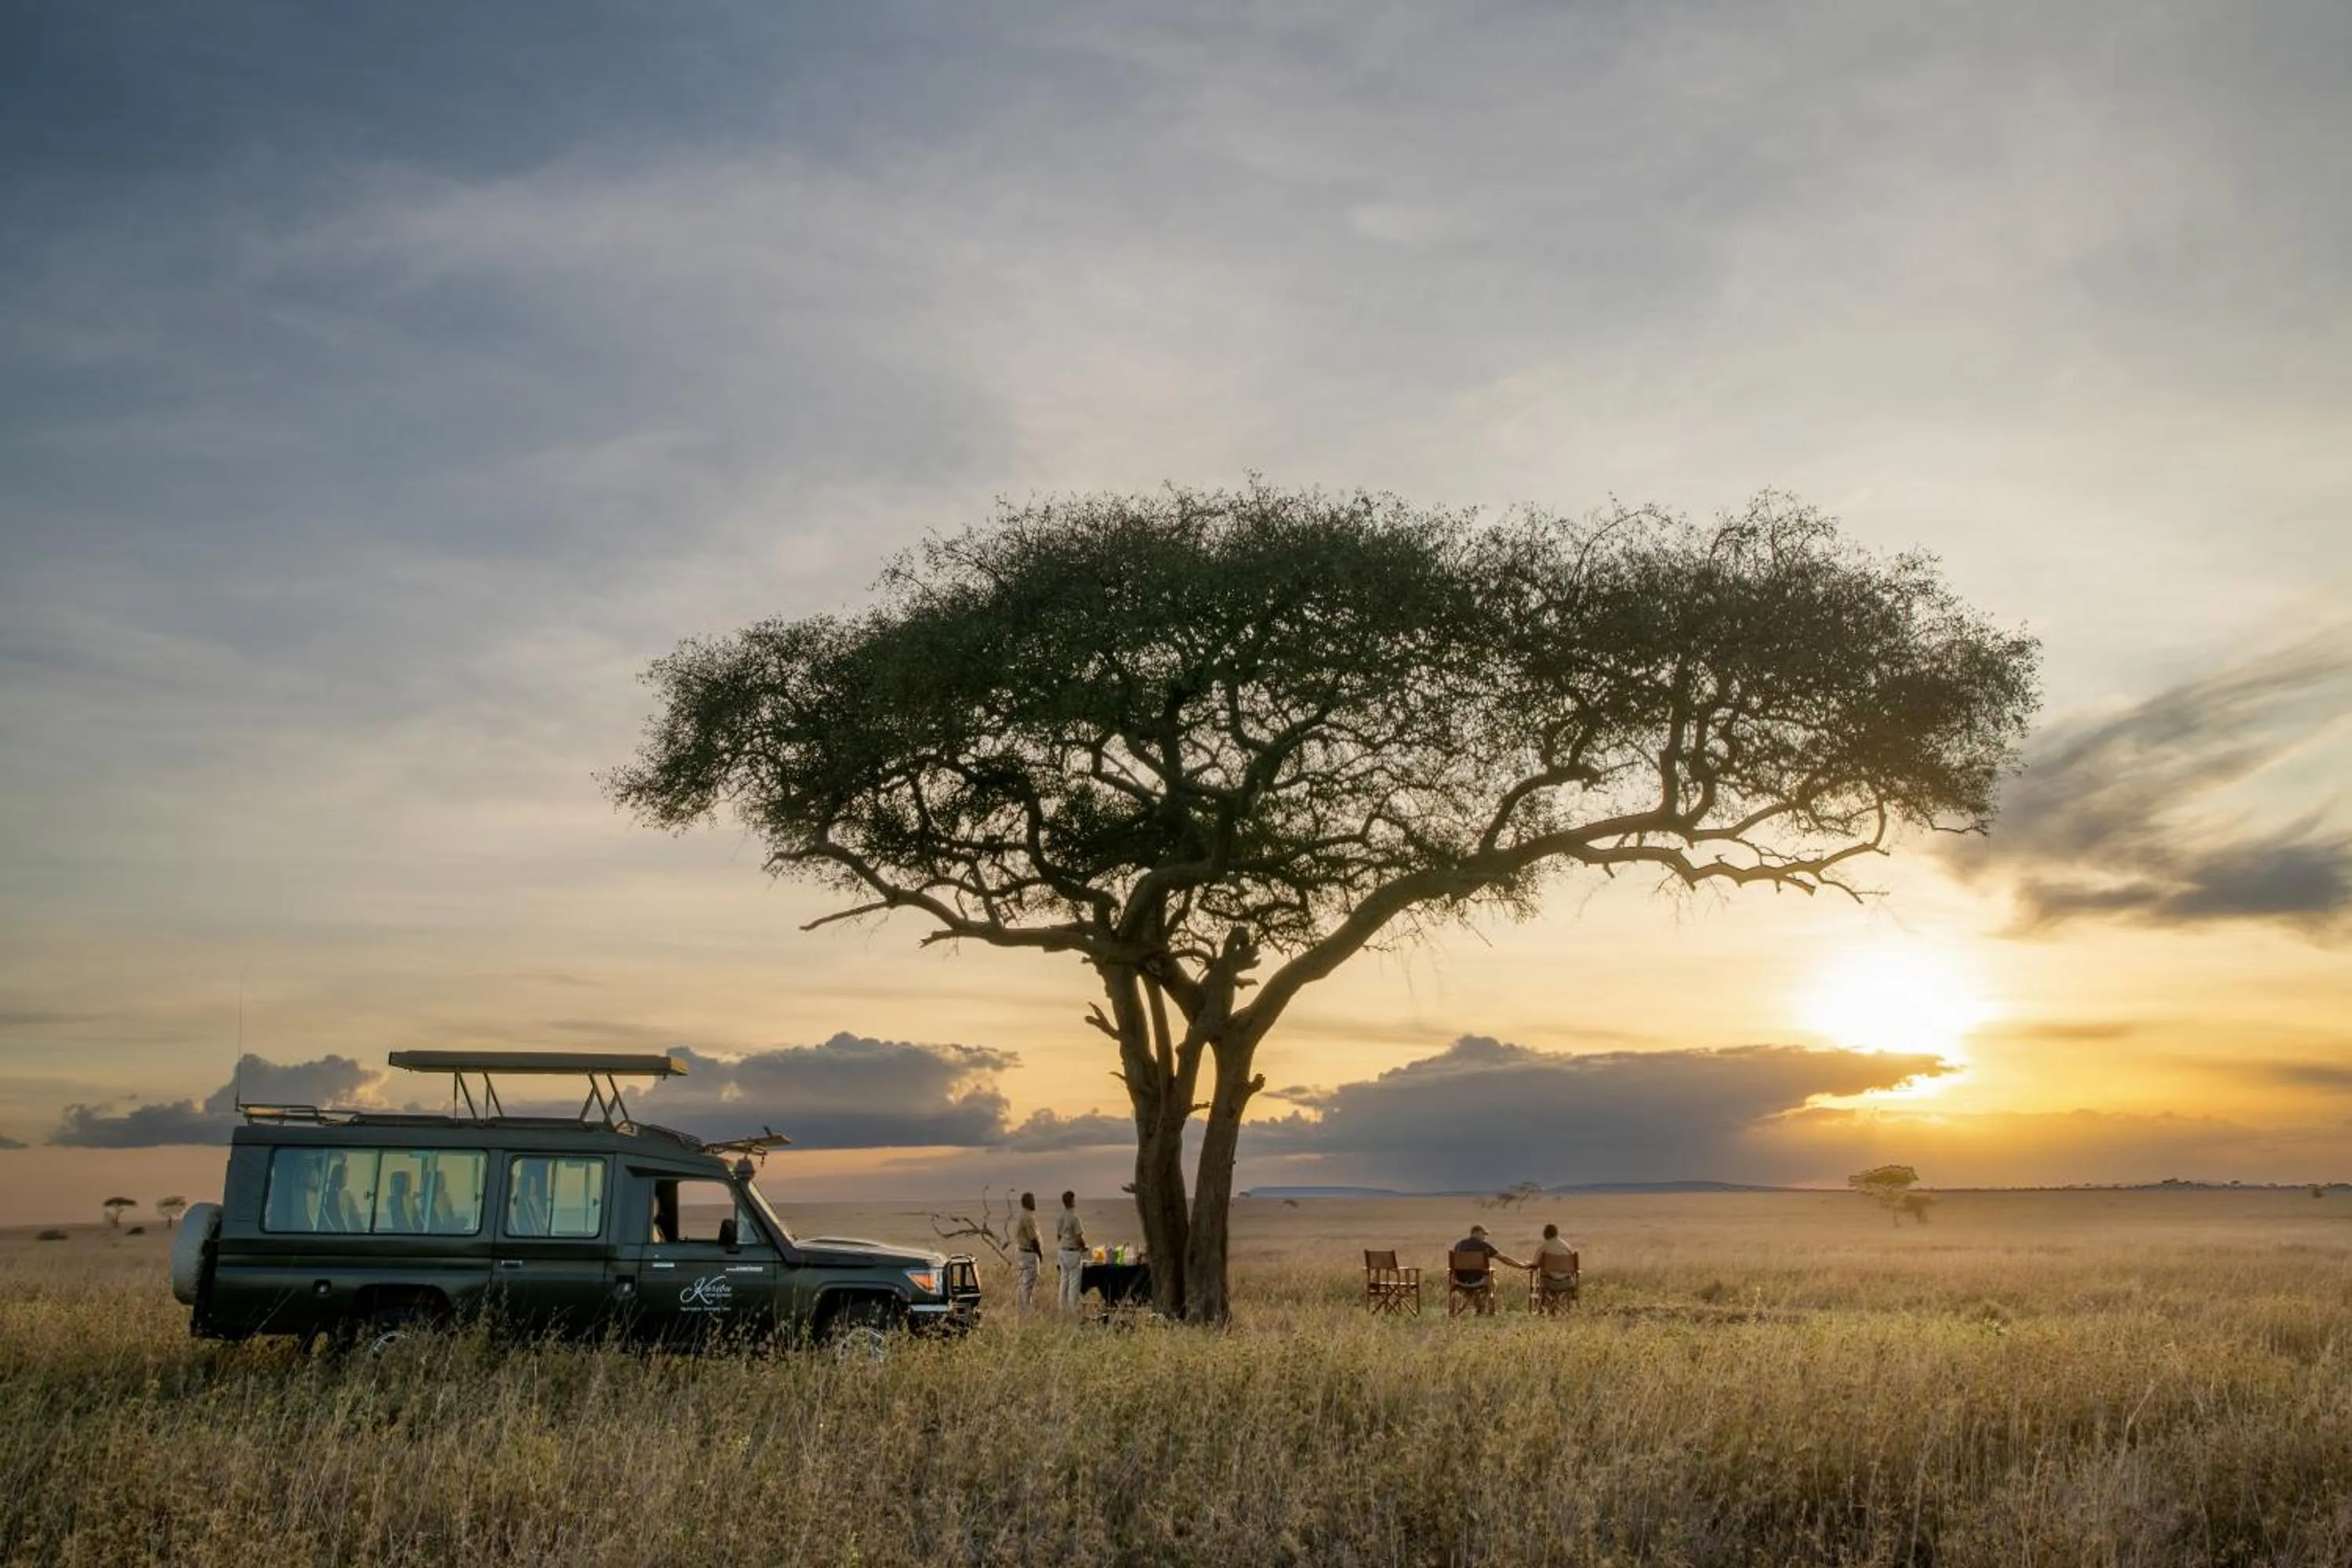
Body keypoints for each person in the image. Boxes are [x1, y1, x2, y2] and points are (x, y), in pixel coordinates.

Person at [1448, 1222, 1527, 1315]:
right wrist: (1521, 1265)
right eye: (1483, 1234)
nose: (1484, 1237)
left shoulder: (1459, 1245)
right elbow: (1503, 1258)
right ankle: (1482, 1307)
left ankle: (1475, 1308)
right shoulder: (1483, 1245)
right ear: (1476, 1233)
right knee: (1493, 1283)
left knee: (1471, 1291)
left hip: (1459, 1279)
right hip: (1478, 1279)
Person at [1055, 1190, 1088, 1312]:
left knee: (1064, 1280)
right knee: (1074, 1283)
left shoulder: (1060, 1217)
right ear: (1073, 1201)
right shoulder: (1075, 1218)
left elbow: (1058, 1237)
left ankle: (1062, 1308)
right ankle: (1072, 1310)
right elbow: (1079, 1238)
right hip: (1073, 1252)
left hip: (1062, 1251)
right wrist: (1084, 1247)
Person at [1011, 1191, 1044, 1308]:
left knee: (1022, 1283)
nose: (1034, 1203)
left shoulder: (1021, 1215)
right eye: (1033, 1200)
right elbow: (1033, 1238)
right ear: (1028, 1202)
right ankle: (1026, 1311)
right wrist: (1040, 1254)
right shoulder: (1029, 1217)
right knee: (1028, 1285)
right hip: (1029, 1254)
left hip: (1020, 1252)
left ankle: (1020, 1309)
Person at [1532, 1221, 1578, 1300]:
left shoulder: (1544, 1246)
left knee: (1542, 1277)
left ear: (1546, 1234)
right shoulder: (1566, 1246)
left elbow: (1535, 1263)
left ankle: (1544, 1307)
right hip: (1567, 1282)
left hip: (1549, 1282)